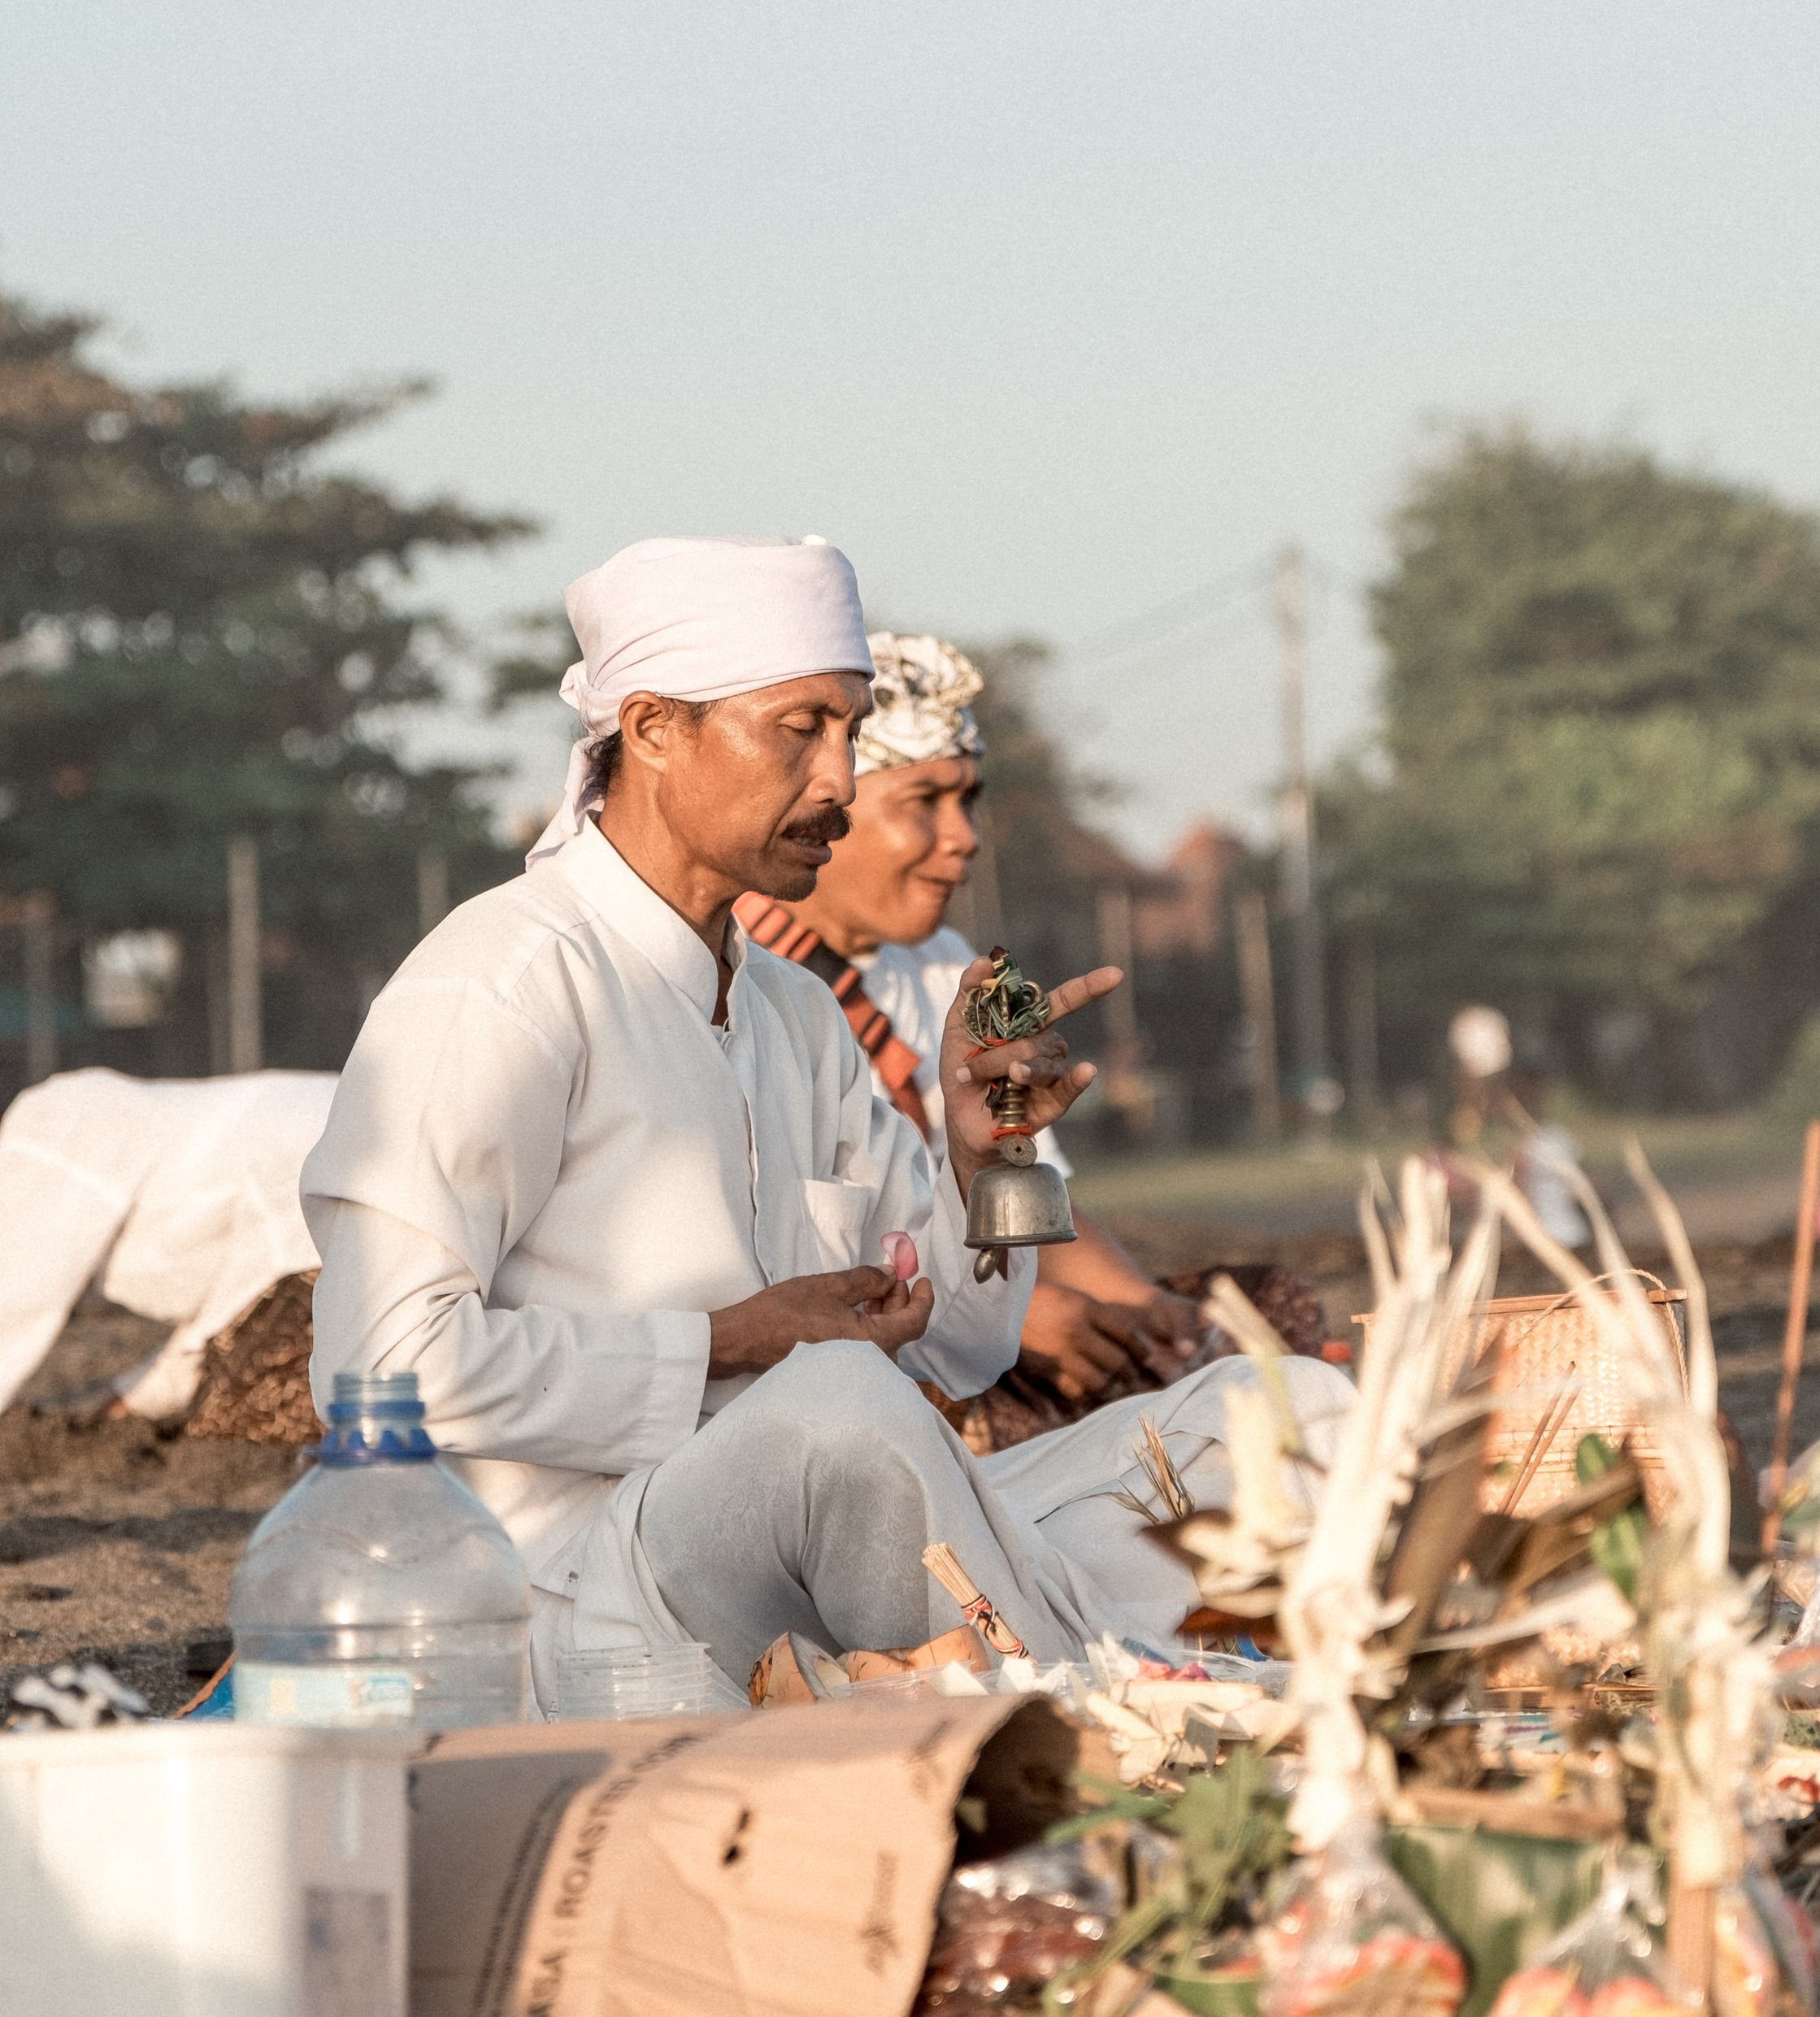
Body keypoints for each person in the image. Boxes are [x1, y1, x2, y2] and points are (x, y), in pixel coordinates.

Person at [302, 537, 1350, 1707]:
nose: (840, 780)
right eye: (798, 729)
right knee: (838, 1403)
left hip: (826, 1548)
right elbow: (373, 1364)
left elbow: (966, 1344)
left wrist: (993, 1153)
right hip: (577, 1593)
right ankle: (1125, 1697)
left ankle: (1082, 1669)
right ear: (652, 729)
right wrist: (732, 1342)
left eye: (849, 732)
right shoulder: (500, 981)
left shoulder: (792, 1009)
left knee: (1284, 1411)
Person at [734, 632, 1217, 1428]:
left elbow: (1025, 1189)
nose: (964, 836)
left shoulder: (954, 967)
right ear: (830, 810)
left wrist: (1142, 1303)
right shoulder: (745, 978)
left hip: (968, 1303)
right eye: (922, 802)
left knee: (1250, 1319)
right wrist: (1014, 1317)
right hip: (858, 1353)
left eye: (966, 798)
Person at [0, 1066, 334, 1420]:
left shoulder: (54, 1132)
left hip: (331, 1152)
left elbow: (16, 1300)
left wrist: (131, 1400)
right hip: (340, 1132)